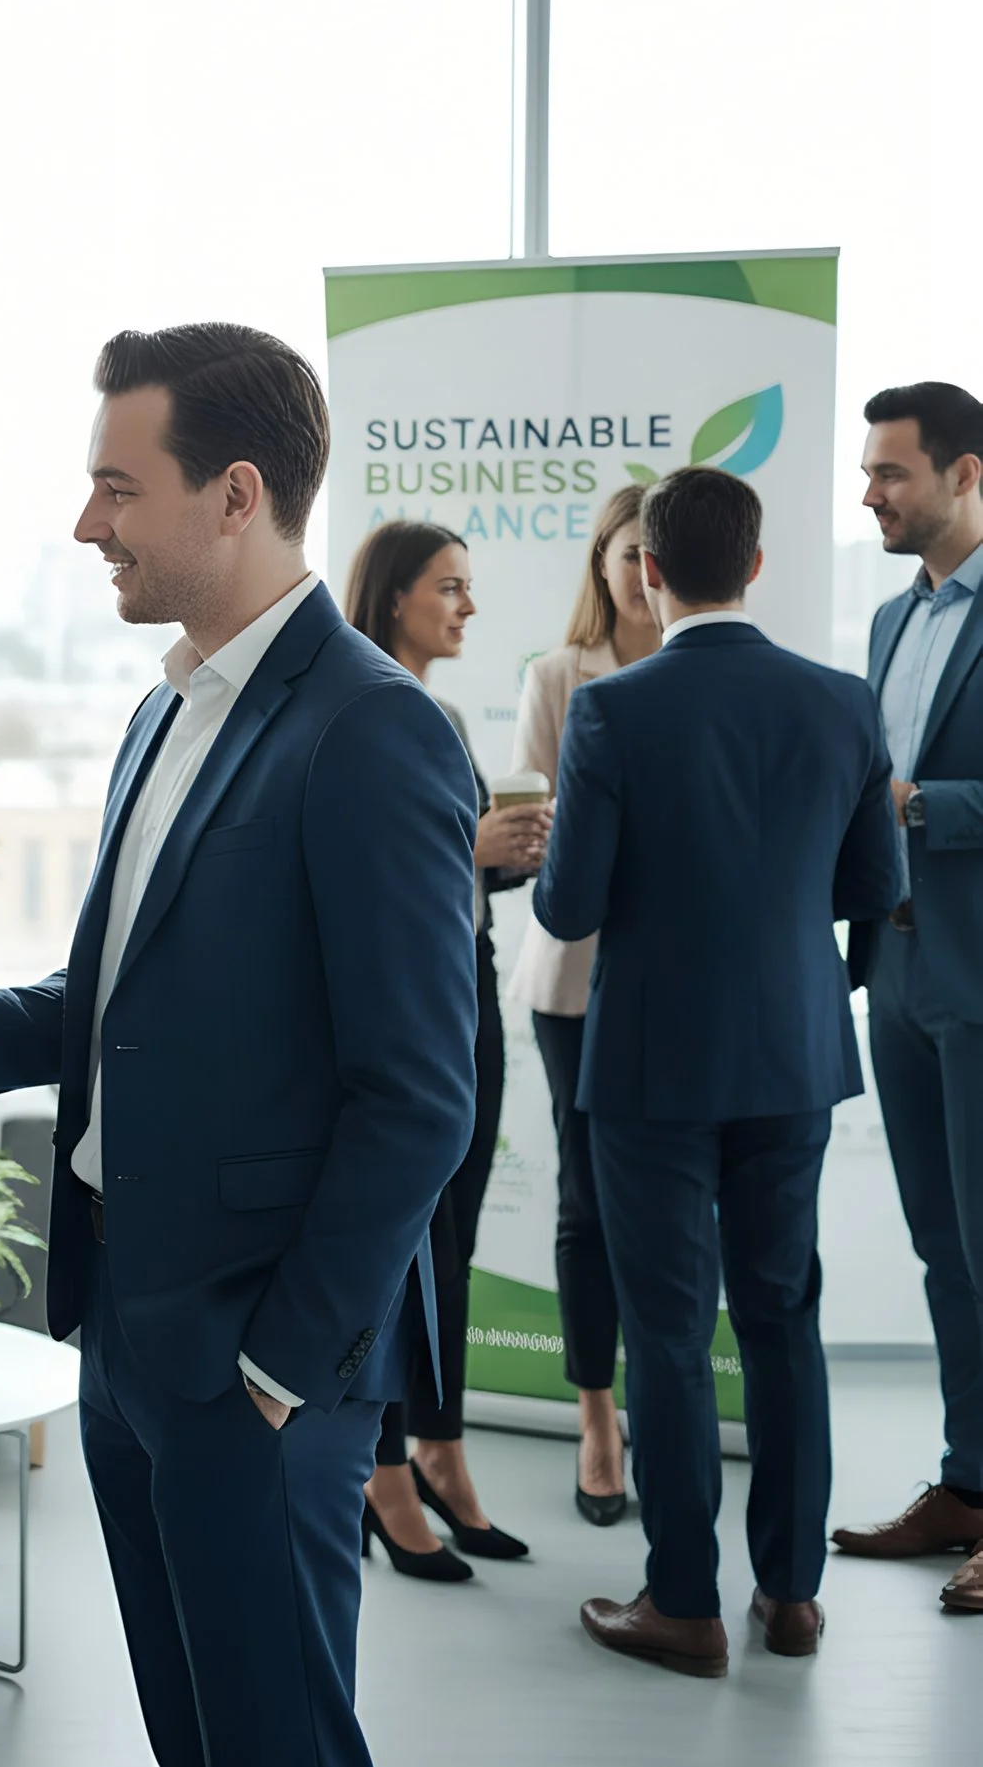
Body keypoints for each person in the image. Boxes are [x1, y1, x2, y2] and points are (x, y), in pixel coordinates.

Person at [0, 324, 478, 1767]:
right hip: (127, 1327)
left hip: (256, 1361)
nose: (86, 524)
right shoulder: (160, 712)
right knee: (195, 1734)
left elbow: (421, 1098)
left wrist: (281, 1367)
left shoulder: (370, 731)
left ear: (236, 495)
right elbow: (115, 999)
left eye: (118, 488)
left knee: (275, 1738)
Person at [534, 466, 899, 1677]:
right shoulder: (842, 703)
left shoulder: (613, 712)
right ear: (754, 565)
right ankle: (790, 1595)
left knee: (670, 1331)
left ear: (648, 570)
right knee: (784, 1317)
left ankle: (681, 1602)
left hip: (647, 1064)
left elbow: (570, 901)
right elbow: (874, 893)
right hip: (794, 1055)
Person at [341, 521, 544, 1580]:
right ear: (392, 598)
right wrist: (470, 844)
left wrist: (503, 854)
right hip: (405, 1000)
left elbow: (450, 869)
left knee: (451, 1239)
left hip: (466, 981)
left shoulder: (443, 710)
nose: (466, 608)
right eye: (449, 588)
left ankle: (439, 1450)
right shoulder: (365, 708)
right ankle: (383, 1470)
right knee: (399, 1239)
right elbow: (369, 869)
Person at [833, 381, 983, 1615]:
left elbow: (915, 793)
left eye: (890, 473)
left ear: (964, 473)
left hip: (981, 975)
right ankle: (969, 1483)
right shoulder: (889, 621)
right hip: (893, 966)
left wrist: (916, 806)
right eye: (868, 472)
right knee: (942, 1245)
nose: (870, 493)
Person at [511, 481, 657, 1526]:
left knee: (663, 1199)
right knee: (585, 1196)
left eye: (658, 554)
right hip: (573, 976)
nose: (643, 573)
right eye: (626, 553)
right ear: (600, 563)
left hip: (678, 976)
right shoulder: (560, 676)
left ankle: (658, 1401)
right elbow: (545, 827)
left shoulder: (704, 670)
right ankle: (596, 1417)